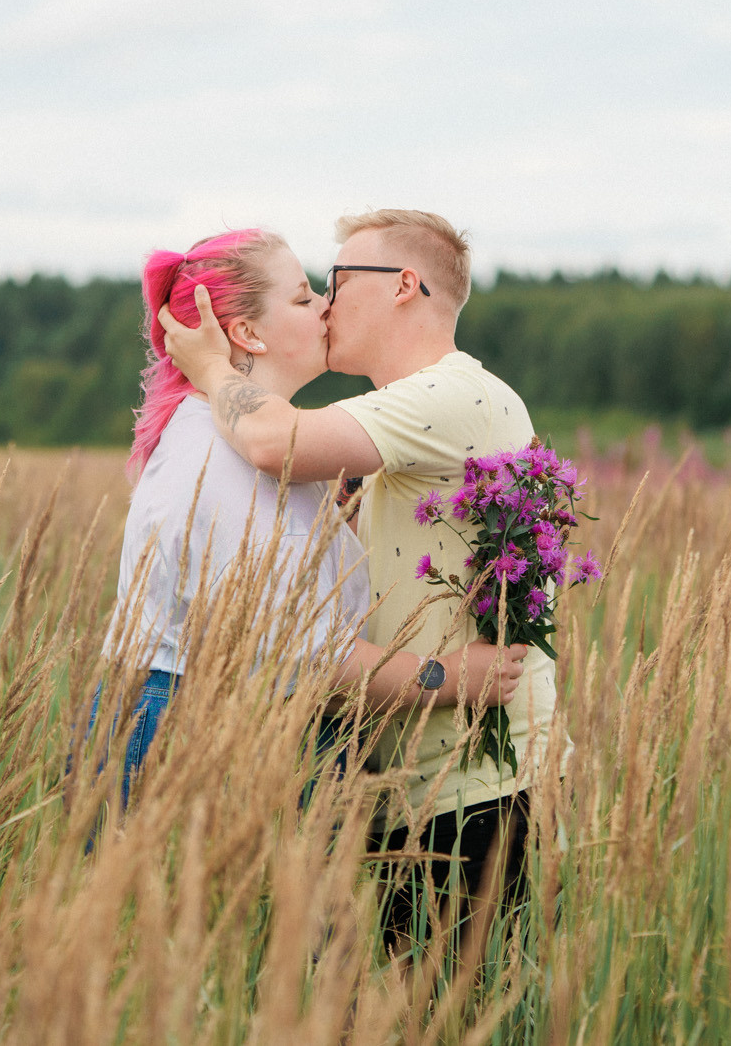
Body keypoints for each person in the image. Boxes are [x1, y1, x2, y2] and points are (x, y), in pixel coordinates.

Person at [158, 209, 554, 953]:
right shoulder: (399, 432)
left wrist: (212, 369)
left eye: (337, 280)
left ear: (405, 285)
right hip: (412, 785)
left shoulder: (451, 396)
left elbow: (274, 439)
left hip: (471, 786)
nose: (327, 303)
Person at [99, 226, 528, 812]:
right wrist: (448, 679)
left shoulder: (249, 443)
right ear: (248, 333)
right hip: (213, 737)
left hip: (228, 731)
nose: (327, 305)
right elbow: (311, 658)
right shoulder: (227, 462)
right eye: (305, 297)